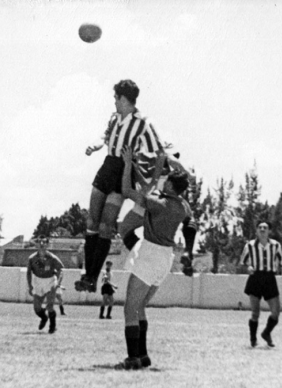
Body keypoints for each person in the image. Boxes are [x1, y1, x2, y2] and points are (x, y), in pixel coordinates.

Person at [75, 79, 165, 293]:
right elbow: (104, 137)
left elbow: (160, 152)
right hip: (107, 166)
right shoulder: (114, 117)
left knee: (106, 226)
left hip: (122, 172)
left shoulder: (142, 123)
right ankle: (87, 274)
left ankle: (92, 278)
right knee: (92, 221)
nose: (114, 101)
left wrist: (152, 183)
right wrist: (95, 146)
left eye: (116, 97)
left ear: (124, 98)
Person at [114, 145, 192, 370]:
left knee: (130, 308)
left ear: (168, 184)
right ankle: (144, 356)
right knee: (140, 307)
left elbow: (128, 191)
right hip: (166, 258)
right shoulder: (183, 206)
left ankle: (133, 358)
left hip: (150, 253)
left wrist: (129, 165)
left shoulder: (159, 203)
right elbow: (150, 192)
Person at [239, 221, 282, 347]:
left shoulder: (276, 245)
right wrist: (248, 267)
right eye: (260, 227)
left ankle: (266, 333)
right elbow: (243, 261)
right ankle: (253, 339)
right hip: (255, 278)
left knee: (276, 311)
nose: (262, 229)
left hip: (269, 279)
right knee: (255, 312)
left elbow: (281, 261)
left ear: (269, 231)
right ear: (256, 230)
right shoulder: (249, 245)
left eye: (265, 228)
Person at [26, 236, 64, 334]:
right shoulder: (32, 258)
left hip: (50, 281)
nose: (42, 245)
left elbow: (61, 269)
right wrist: (30, 285)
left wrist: (58, 283)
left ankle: (52, 327)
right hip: (37, 281)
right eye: (39, 242)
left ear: (47, 245)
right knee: (37, 308)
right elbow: (28, 272)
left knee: (50, 306)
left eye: (44, 243)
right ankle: (44, 317)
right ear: (36, 245)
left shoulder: (52, 258)